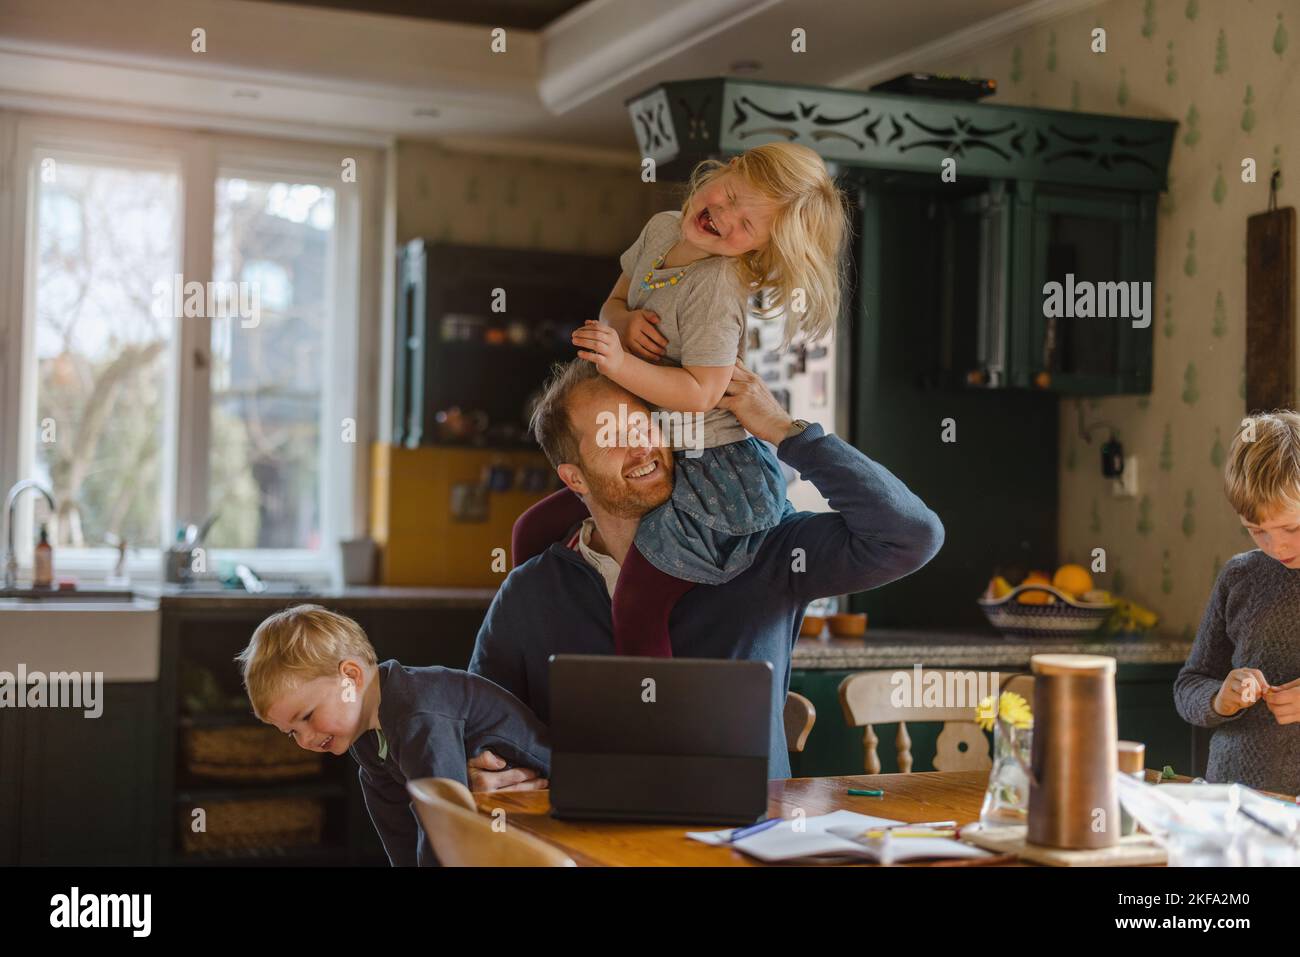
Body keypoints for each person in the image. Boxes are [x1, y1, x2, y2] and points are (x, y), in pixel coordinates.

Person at [467, 357, 943, 791]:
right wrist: (484, 765)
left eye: (645, 425)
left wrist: (786, 431)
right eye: (612, 437)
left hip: (743, 842)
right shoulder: (530, 591)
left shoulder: (763, 550)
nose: (641, 448)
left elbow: (911, 535)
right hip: (589, 844)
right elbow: (481, 724)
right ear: (574, 478)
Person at [513, 142, 851, 658]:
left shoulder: (716, 288)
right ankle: (530, 640)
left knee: (640, 599)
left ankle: (653, 708)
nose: (724, 216)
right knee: (533, 529)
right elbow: (615, 301)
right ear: (724, 169)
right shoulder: (662, 228)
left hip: (709, 461)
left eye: (747, 224)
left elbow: (701, 394)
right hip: (659, 445)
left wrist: (623, 364)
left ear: (759, 250)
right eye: (730, 194)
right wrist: (621, 323)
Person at [236, 604, 550, 865]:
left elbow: (441, 818)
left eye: (306, 717)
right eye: (292, 733)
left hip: (550, 796)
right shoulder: (368, 740)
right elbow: (395, 819)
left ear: (350, 678)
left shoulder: (415, 714)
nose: (305, 740)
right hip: (500, 821)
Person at [1174, 411, 1300, 793]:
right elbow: (1189, 685)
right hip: (1229, 805)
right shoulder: (1240, 576)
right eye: (1256, 530)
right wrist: (1219, 699)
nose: (1275, 547)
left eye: (1292, 528)